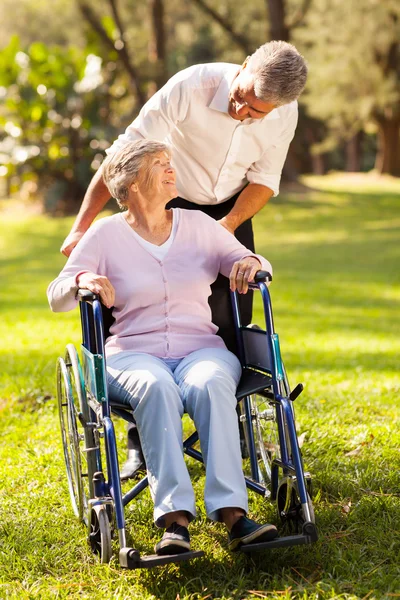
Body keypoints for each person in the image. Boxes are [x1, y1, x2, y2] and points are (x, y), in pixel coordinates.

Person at [60, 40, 308, 479]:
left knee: (230, 320)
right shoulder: (190, 86)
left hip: (228, 211)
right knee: (141, 312)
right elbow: (123, 155)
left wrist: (226, 227)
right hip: (163, 199)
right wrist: (83, 226)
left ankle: (225, 431)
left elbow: (265, 181)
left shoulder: (282, 113)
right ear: (244, 64)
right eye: (242, 97)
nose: (242, 112)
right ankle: (143, 439)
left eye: (256, 112)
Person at [48, 139, 277, 555]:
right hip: (133, 354)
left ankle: (234, 516)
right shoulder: (105, 235)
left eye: (171, 163)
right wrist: (82, 280)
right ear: (132, 182)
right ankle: (174, 522)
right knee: (154, 386)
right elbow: (56, 295)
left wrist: (253, 264)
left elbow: (257, 264)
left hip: (200, 349)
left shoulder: (198, 226)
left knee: (211, 382)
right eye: (160, 164)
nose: (173, 170)